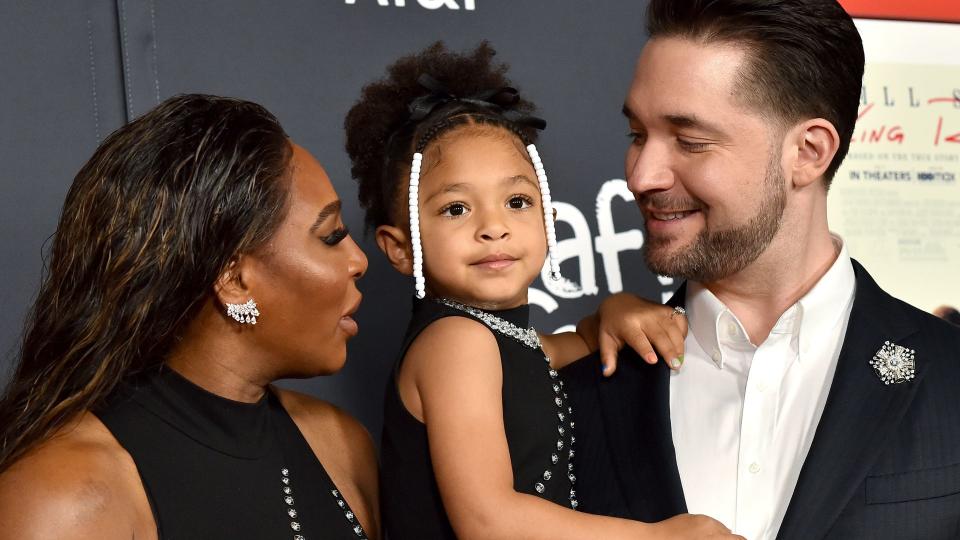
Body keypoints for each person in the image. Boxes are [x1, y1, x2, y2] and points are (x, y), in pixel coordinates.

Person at [564, 1, 960, 539]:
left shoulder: (950, 375)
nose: (641, 175)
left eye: (690, 141)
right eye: (637, 135)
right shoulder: (573, 389)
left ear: (809, 152)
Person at [344, 42, 741, 540]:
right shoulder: (456, 344)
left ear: (549, 222)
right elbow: (488, 519)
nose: (494, 227)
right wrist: (657, 537)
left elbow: (561, 347)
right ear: (399, 248)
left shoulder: (503, 342)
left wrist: (611, 312)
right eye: (456, 209)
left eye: (516, 201)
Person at [0, 95, 379, 539]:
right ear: (234, 279)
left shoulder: (340, 444)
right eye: (331, 236)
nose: (358, 260)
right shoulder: (63, 496)